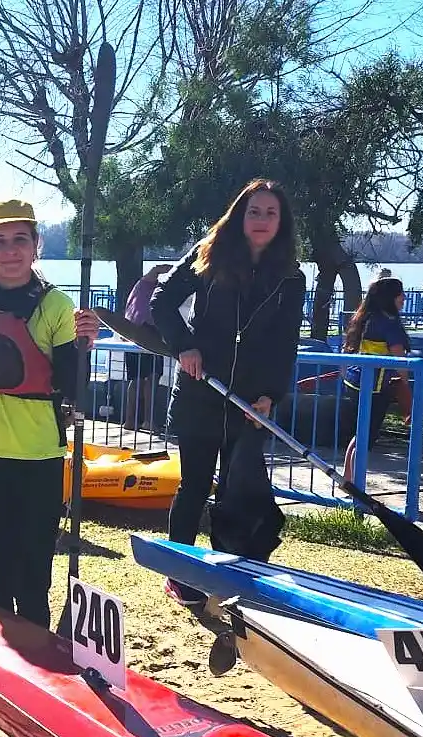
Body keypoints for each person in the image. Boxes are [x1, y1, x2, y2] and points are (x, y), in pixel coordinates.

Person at [150, 179, 306, 611]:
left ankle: (230, 572)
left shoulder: (291, 277)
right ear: (240, 215)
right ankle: (179, 572)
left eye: (270, 213)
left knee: (240, 491)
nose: (261, 221)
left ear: (282, 222)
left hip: (248, 403)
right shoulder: (210, 255)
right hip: (201, 393)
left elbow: (285, 342)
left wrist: (271, 395)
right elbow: (162, 301)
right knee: (194, 485)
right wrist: (184, 346)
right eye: (253, 211)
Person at [0, 199, 99, 629]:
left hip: (39, 455)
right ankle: (0, 665)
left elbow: (73, 385)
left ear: (37, 245)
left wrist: (83, 346)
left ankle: (40, 656)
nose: (10, 250)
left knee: (33, 574)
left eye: (21, 239)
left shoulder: (58, 307)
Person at [341, 277, 411, 484]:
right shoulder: (389, 323)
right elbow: (400, 359)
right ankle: (355, 483)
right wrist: (405, 386)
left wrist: (345, 373)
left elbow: (347, 350)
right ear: (390, 297)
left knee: (361, 432)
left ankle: (347, 477)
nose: (404, 298)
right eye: (400, 294)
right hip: (376, 386)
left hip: (355, 382)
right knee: (367, 436)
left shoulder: (363, 318)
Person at [121, 264, 167, 430]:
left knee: (136, 378)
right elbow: (157, 268)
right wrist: (181, 269)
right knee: (151, 377)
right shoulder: (147, 285)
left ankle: (130, 421)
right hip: (148, 333)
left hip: (131, 332)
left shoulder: (139, 290)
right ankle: (147, 421)